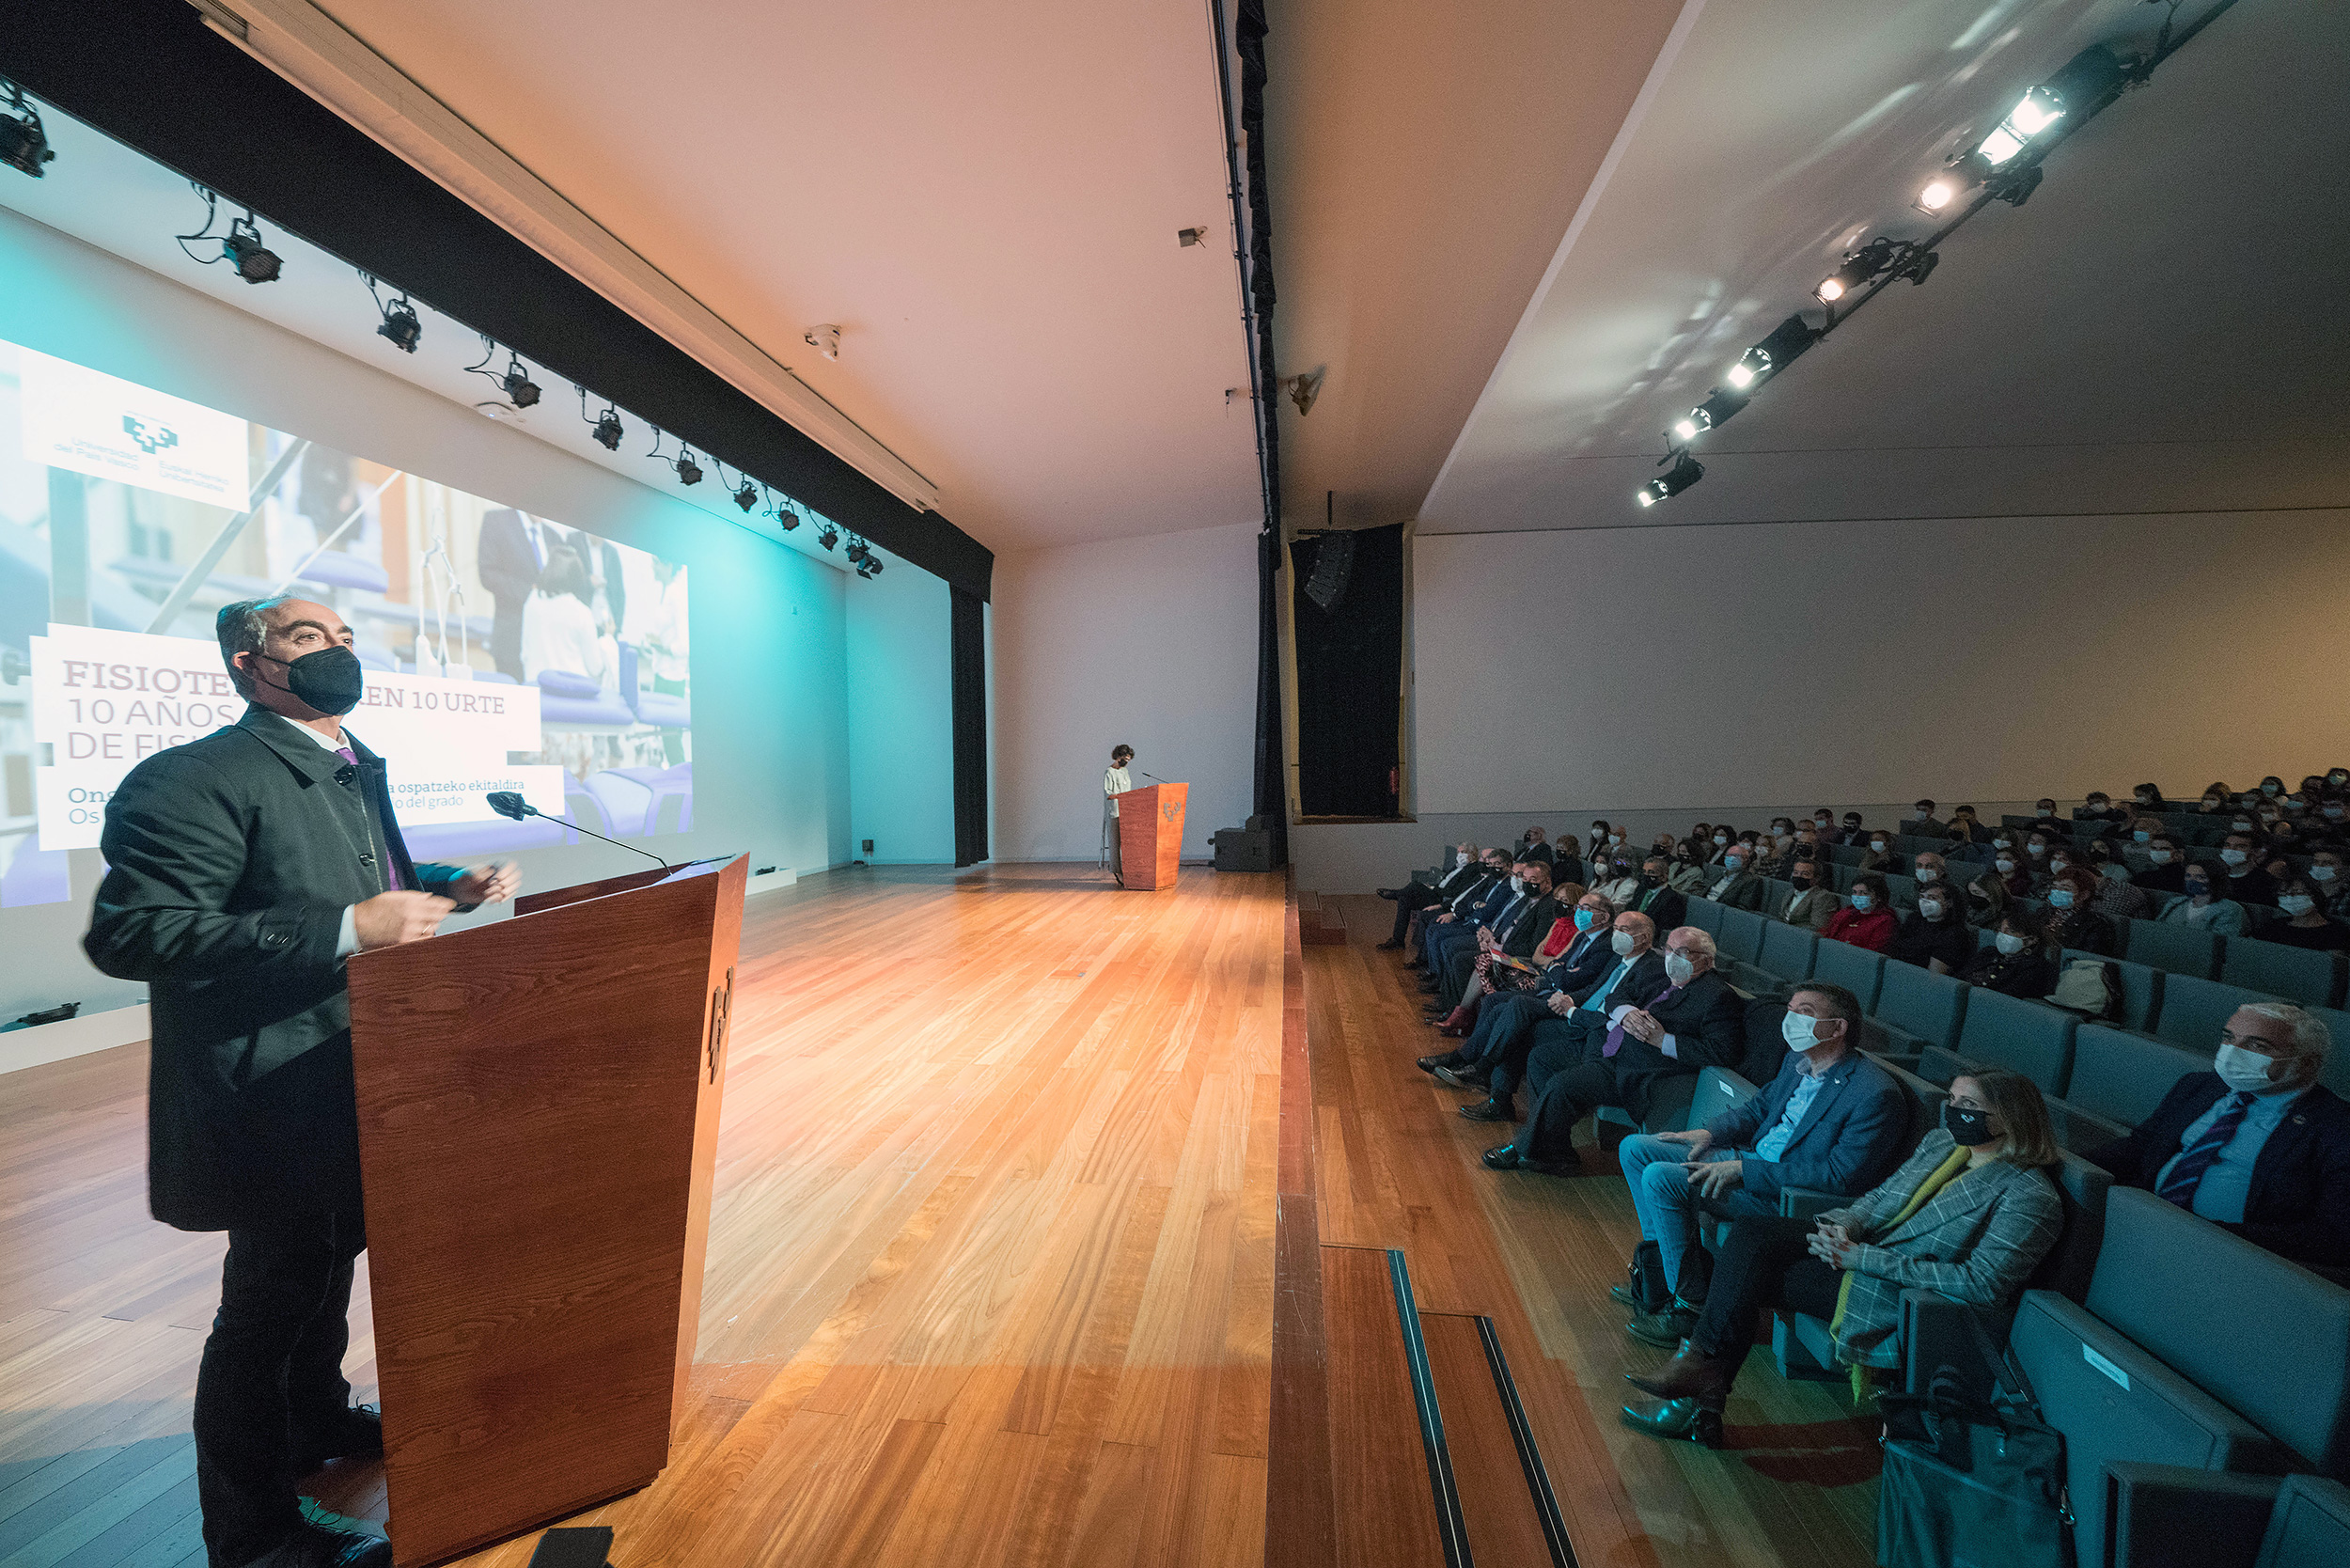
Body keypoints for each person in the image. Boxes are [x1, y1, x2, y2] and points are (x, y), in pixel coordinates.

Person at [82, 597, 523, 1568]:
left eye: (347, 637)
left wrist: (443, 882)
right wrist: (346, 931)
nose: (338, 652)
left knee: (331, 1262)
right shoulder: (191, 778)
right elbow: (136, 933)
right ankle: (254, 1538)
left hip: (360, 1069)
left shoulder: (352, 763)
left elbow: (334, 875)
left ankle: (315, 1422)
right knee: (267, 1305)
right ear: (250, 664)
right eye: (307, 638)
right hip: (267, 1092)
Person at [1619, 1070, 2063, 1447]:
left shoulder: (2030, 1195)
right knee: (1753, 1236)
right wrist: (1844, 1225)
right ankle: (1701, 1377)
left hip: (1896, 1287)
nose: (1953, 1109)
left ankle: (1699, 1392)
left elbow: (1982, 1284)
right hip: (1862, 1246)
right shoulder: (1943, 1145)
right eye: (1951, 1098)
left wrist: (1861, 1257)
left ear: (2008, 1117)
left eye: (1968, 1103)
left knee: (1747, 1275)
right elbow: (1879, 1199)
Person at [1613, 985, 1907, 1344]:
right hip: (1749, 1160)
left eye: (1806, 1011)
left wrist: (1744, 1171)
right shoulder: (1797, 1062)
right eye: (1791, 1008)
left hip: (1781, 1193)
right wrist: (1709, 1132)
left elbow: (1839, 1177)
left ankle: (1690, 1305)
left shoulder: (1874, 1093)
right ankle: (1658, 1278)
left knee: (1662, 1178)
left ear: (1838, 1028)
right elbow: (1758, 1110)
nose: (1792, 1018)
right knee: (1636, 1148)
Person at [2082, 1005, 2349, 1278]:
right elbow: (2141, 1145)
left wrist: (2212, 1236)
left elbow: (2334, 1234)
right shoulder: (2199, 1086)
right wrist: (2075, 1167)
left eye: (2257, 1045)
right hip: (2143, 1214)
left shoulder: (2337, 1127)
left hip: (2232, 1260)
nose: (2233, 1051)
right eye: (2229, 1037)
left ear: (2306, 1063)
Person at [1484, 927, 1745, 1172]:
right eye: (1669, 949)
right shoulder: (1659, 974)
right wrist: (1626, 1013)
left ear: (1708, 960)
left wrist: (1661, 1040)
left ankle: (1525, 1150)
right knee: (1542, 1059)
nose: (1672, 957)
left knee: (1563, 1085)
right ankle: (1556, 1150)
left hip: (1641, 1069)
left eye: (1683, 952)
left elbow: (1722, 1051)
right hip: (1610, 1045)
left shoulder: (1718, 996)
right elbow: (1616, 996)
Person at [1444, 907, 1660, 1122]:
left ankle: (1485, 1073)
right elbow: (1592, 989)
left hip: (1592, 1028)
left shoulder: (1651, 969)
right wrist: (1570, 1000)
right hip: (1577, 1010)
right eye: (1616, 929)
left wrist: (1572, 1009)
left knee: (1518, 1008)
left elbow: (1615, 1012)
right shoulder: (1619, 957)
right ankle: (1498, 1099)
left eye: (1624, 930)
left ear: (1644, 937)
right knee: (1510, 1018)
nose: (1617, 934)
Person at [476, 507, 555, 680]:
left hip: (549, 644)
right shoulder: (497, 522)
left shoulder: (553, 535)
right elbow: (488, 574)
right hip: (512, 638)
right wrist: (531, 593)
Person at [519, 545, 608, 687]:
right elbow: (595, 667)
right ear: (577, 576)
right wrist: (607, 640)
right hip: (571, 695)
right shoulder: (581, 612)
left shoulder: (532, 601)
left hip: (535, 690)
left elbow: (525, 654)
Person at [1377, 842, 1485, 949]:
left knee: (1415, 885)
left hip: (1442, 900)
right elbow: (1444, 882)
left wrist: (1435, 890)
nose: (1459, 855)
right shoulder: (1457, 866)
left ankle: (1395, 894)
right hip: (1436, 892)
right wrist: (1433, 887)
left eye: (1463, 852)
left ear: (1472, 854)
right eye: (1458, 852)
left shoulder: (1472, 870)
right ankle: (1398, 940)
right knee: (1404, 900)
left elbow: (1456, 893)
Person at [1957, 912, 2059, 997]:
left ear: (2030, 940)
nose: (2002, 935)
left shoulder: (2037, 967)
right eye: (2000, 931)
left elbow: (2005, 998)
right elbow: (1959, 977)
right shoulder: (1988, 952)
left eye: (2010, 932)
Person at [1887, 884, 1972, 974]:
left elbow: (1934, 975)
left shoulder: (1954, 934)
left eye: (1933, 898)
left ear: (1949, 903)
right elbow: (1894, 949)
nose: (1925, 901)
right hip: (1894, 970)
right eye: (1922, 897)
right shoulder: (1914, 919)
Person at [2043, 866, 2118, 956]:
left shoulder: (2094, 925)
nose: (2057, 892)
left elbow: (2085, 956)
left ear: (2084, 895)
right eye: (2055, 888)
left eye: (2065, 889)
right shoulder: (2044, 912)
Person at [2265, 876, 2350, 952]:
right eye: (2283, 894)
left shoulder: (2336, 931)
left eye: (2297, 892)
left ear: (2314, 895)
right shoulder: (2274, 927)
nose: (2290, 897)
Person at [2158, 865, 2248, 936]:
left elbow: (2223, 941)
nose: (2192, 880)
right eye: (2188, 876)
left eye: (2200, 877)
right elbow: (2158, 928)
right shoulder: (2175, 903)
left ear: (2214, 880)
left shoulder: (2230, 909)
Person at [1822, 874, 1897, 952]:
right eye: (1854, 892)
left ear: (1879, 897)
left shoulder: (1885, 921)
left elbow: (1872, 952)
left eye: (1864, 893)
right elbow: (1828, 936)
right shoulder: (1846, 913)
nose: (1857, 896)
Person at [1626, 855, 1687, 933]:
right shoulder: (1641, 889)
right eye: (1644, 872)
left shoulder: (1673, 899)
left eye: (1651, 872)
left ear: (1664, 877)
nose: (1646, 876)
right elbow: (1631, 908)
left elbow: (1664, 928)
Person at [2218, 831, 2279, 906]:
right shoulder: (2216, 877)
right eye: (2227, 845)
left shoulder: (2265, 881)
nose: (2231, 850)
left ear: (2255, 851)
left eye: (2240, 846)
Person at [1778, 858, 1840, 932]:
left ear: (1816, 878)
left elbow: (1818, 927)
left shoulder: (1823, 897)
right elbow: (1782, 917)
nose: (1799, 876)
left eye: (1805, 874)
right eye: (1796, 873)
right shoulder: (1789, 893)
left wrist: (1788, 931)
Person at [1103, 744, 1136, 879]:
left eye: (1128, 760)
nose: (1126, 762)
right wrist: (1121, 796)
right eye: (1125, 759)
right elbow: (1108, 793)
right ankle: (1116, 870)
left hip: (1127, 810)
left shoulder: (1125, 772)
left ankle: (1129, 868)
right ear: (1118, 757)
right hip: (1114, 811)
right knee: (1115, 842)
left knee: (1128, 841)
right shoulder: (1109, 772)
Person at [1702, 842, 1768, 911]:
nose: (1731, 858)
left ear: (1746, 860)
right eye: (1728, 855)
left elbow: (1743, 907)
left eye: (1736, 856)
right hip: (1703, 905)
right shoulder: (1719, 874)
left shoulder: (1752, 880)